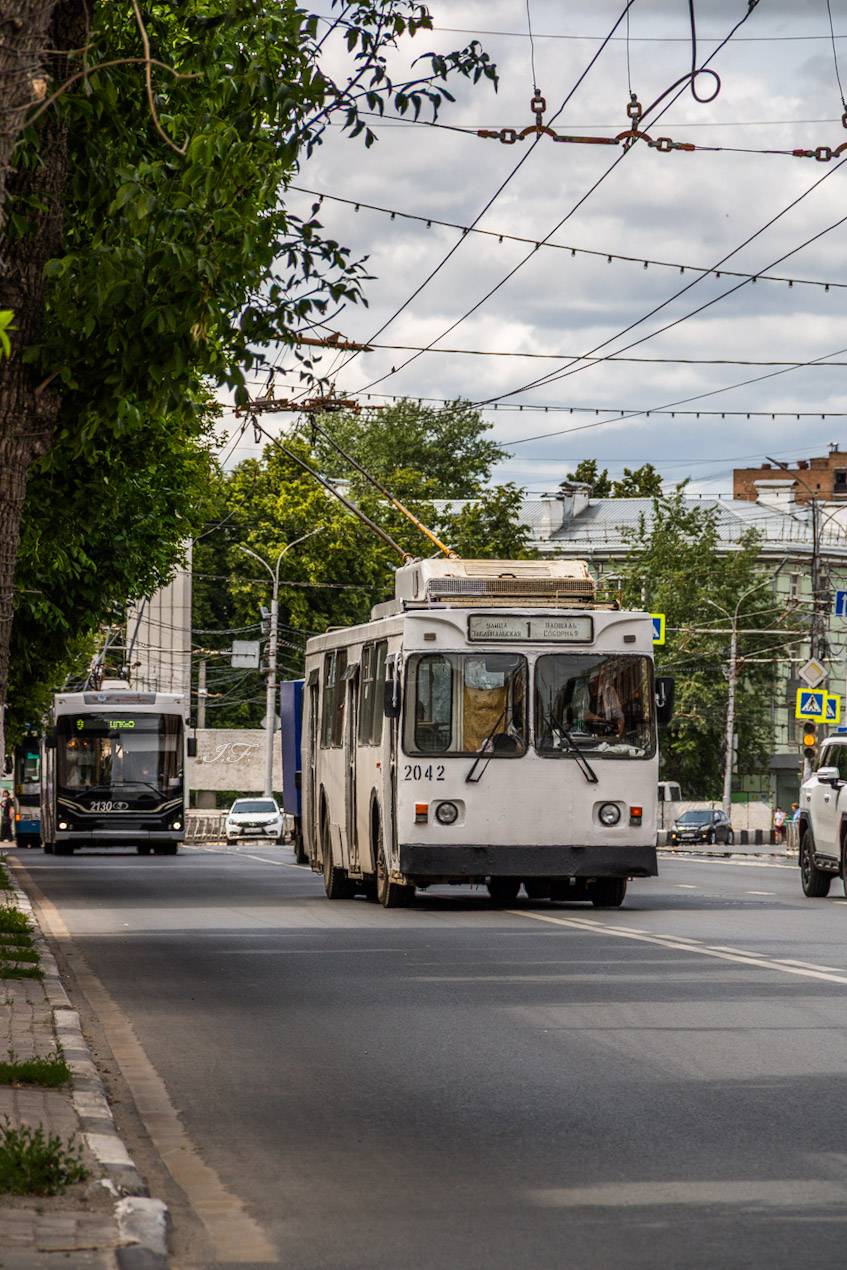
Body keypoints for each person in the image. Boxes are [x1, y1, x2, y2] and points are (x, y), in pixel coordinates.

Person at [576, 665, 624, 737]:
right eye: (597, 678)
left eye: (602, 677)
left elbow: (619, 715)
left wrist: (618, 732)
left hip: (607, 736)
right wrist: (602, 720)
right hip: (586, 735)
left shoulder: (609, 691)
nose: (601, 680)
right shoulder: (582, 693)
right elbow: (583, 714)